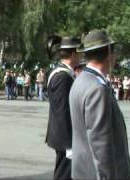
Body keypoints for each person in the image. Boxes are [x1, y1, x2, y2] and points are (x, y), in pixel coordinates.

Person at [70, 30, 130, 179]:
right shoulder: (97, 88)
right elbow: (100, 144)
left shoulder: (81, 80)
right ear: (109, 53)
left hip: (84, 171)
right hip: (96, 174)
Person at [45, 37, 81, 180]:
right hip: (65, 137)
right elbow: (62, 112)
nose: (81, 57)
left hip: (64, 135)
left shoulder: (64, 74)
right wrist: (69, 144)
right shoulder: (62, 77)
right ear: (73, 55)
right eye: (79, 53)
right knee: (64, 175)